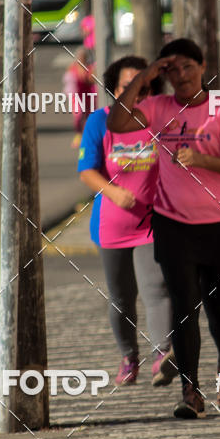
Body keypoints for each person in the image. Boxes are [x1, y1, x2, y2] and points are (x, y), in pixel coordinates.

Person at [107, 38, 220, 419]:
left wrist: (202, 160)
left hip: (218, 225)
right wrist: (144, 76)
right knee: (183, 311)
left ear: (203, 67)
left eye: (189, 66)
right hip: (173, 227)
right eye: (173, 70)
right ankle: (191, 393)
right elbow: (116, 122)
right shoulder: (158, 107)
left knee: (219, 310)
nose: (182, 75)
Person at [78, 55, 176, 388]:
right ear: (114, 89)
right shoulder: (100, 122)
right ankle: (129, 357)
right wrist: (113, 192)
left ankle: (162, 355)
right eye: (127, 87)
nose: (136, 94)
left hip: (153, 222)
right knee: (121, 297)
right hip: (112, 225)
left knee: (157, 288)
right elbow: (87, 171)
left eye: (143, 88)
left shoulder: (160, 121)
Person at [63, 47, 95, 148]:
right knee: (79, 115)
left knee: (89, 116)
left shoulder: (89, 68)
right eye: (79, 57)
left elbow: (91, 80)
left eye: (83, 57)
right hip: (76, 97)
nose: (81, 58)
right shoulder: (72, 67)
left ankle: (87, 136)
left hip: (88, 95)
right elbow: (68, 81)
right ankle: (79, 134)